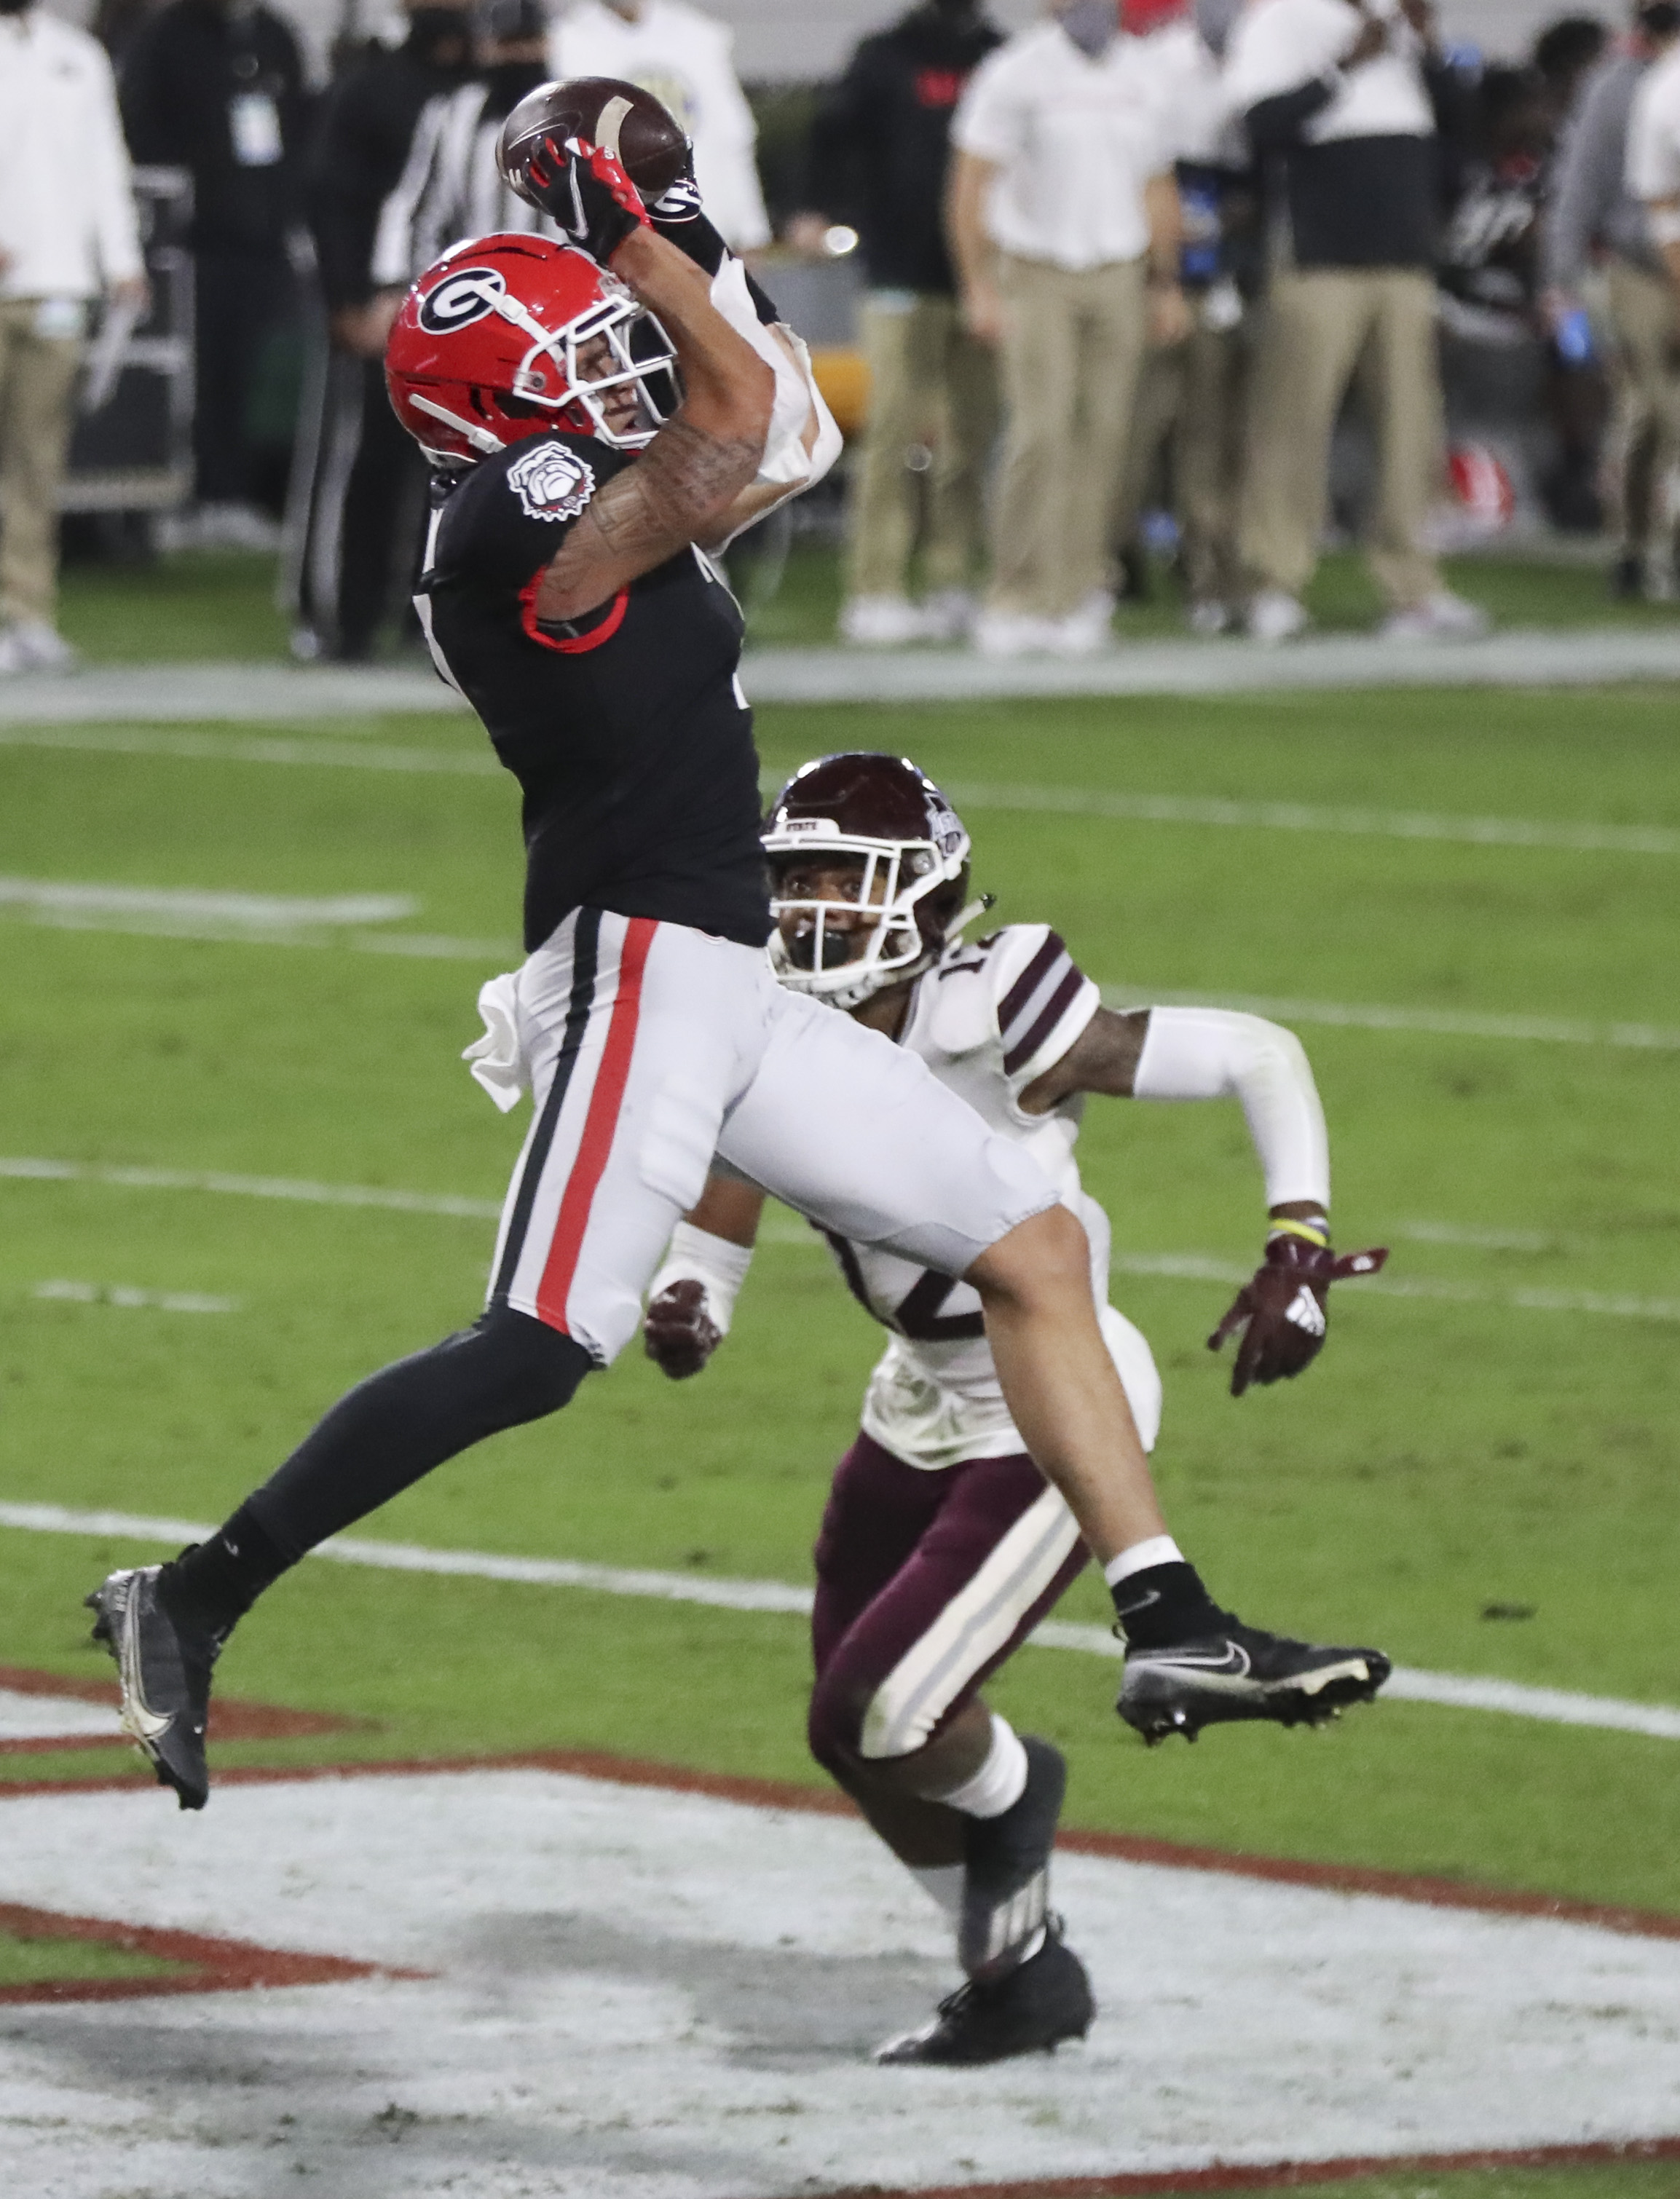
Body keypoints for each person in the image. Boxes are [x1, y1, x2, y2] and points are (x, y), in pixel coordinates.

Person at [86, 144, 1386, 1872]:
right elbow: (746, 417)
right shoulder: (505, 525)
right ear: (509, 402)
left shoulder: (588, 472)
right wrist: (642, 233)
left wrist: (673, 236)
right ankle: (187, 1596)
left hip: (724, 973)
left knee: (1033, 1246)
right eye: (585, 352)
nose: (623, 361)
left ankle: (1168, 1612)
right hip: (633, 964)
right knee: (540, 1347)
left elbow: (789, 433)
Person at [640, 751, 1389, 2065]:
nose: (814, 911)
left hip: (1050, 1401)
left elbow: (1257, 1055)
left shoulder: (990, 1002)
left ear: (928, 900)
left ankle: (1017, 1790)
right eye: (797, 880)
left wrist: (1297, 1242)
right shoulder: (766, 1011)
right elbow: (737, 1159)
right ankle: (1018, 1972)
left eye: (846, 882)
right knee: (846, 1727)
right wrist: (698, 1284)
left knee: (890, 1716)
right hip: (916, 1397)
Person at [1224, 0, 1487, 642]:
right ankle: (1270, 583)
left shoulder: (1403, 24)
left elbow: (1461, 122)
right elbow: (1261, 125)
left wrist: (1424, 46)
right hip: (1320, 255)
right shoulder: (1281, 19)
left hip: (1402, 254)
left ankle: (1412, 587)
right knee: (1292, 424)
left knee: (1410, 427)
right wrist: (1343, 67)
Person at [946, 0, 1192, 658]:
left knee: (1107, 437)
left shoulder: (1145, 72)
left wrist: (1166, 282)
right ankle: (1015, 592)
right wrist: (979, 284)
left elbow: (1157, 183)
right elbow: (972, 182)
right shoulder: (1016, 70)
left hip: (1117, 271)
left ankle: (1079, 590)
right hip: (1036, 269)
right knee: (1040, 431)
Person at [793, 0, 1004, 647]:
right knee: (892, 428)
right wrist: (808, 207)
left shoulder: (1000, 54)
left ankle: (950, 579)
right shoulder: (884, 55)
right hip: (896, 267)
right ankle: (875, 586)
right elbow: (827, 134)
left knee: (969, 434)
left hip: (980, 272)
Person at [286, 0, 476, 661]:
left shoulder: (483, 92)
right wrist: (349, 297)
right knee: (358, 460)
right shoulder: (372, 86)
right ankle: (335, 611)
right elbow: (331, 198)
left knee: (458, 472)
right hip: (383, 308)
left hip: (474, 317)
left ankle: (426, 611)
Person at [119, 0, 309, 547]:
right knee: (190, 371)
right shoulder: (165, 38)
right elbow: (142, 127)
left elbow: (296, 128)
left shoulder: (275, 37)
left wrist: (280, 210)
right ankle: (183, 494)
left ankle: (229, 494)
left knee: (242, 368)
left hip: (260, 240)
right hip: (192, 244)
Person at [0, 0, 146, 674]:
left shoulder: (79, 57)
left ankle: (27, 614)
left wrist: (121, 260)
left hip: (59, 284)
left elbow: (103, 162)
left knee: (38, 463)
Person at [1112, 0, 1254, 633]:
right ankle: (1108, 564)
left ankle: (1209, 578)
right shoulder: (1153, 62)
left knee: (1211, 438)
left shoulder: (1265, 48)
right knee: (1132, 434)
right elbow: (1137, 172)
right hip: (1152, 271)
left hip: (1223, 273)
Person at [1555, 1, 1680, 596]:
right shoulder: (1614, 85)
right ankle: (1631, 544)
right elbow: (1581, 182)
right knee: (1651, 410)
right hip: (1639, 269)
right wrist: (1562, 274)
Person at [549, 0, 770, 254]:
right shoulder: (564, 42)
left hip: (704, 233)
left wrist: (750, 229)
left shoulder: (699, 36)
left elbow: (733, 139)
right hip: (615, 244)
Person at [371, 0, 560, 295]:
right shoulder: (453, 115)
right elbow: (418, 208)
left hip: (568, 291)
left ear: (546, 42)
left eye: (527, 41)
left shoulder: (577, 111)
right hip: (480, 290)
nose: (519, 55)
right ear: (485, 47)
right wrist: (408, 287)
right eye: (507, 43)